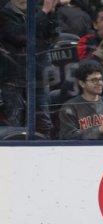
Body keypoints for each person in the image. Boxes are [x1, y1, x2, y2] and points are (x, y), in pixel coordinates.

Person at [0, 0, 59, 138]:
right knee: (14, 124)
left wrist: (51, 13)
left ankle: (46, 153)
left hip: (38, 78)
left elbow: (53, 36)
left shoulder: (38, 13)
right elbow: (20, 36)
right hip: (13, 79)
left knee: (44, 124)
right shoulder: (3, 15)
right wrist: (43, 13)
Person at [58, 62, 103, 139]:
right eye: (94, 80)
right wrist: (99, 129)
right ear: (82, 83)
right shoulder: (70, 108)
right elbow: (68, 136)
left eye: (100, 79)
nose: (99, 83)